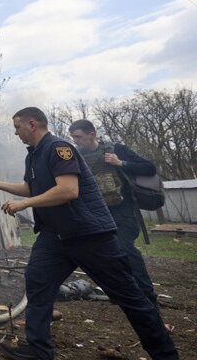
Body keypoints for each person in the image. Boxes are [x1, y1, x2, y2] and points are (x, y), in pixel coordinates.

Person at [0, 107, 176, 360]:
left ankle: (165, 354)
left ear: (32, 124)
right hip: (55, 236)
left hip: (89, 234)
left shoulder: (59, 148)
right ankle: (39, 351)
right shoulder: (33, 155)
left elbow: (68, 190)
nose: (16, 133)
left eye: (17, 128)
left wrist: (26, 204)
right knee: (37, 283)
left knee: (129, 296)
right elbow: (29, 187)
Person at [68, 119, 161, 309]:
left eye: (78, 137)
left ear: (91, 134)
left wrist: (121, 162)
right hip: (97, 213)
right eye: (73, 138)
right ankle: (123, 293)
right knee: (105, 253)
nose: (76, 141)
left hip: (123, 210)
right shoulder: (77, 157)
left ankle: (147, 297)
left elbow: (149, 168)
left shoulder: (116, 148)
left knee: (124, 248)